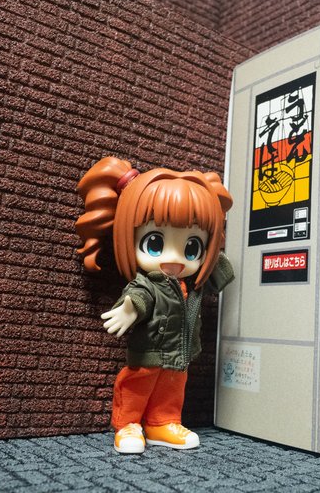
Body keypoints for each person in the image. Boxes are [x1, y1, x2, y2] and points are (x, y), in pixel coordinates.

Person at [75, 157, 234, 454]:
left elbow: (219, 273)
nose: (175, 258)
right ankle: (127, 424)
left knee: (173, 387)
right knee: (138, 385)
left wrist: (212, 251)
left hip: (181, 353)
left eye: (191, 248)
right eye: (156, 244)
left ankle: (163, 422)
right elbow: (140, 294)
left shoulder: (192, 285)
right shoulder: (149, 282)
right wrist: (129, 308)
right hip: (148, 351)